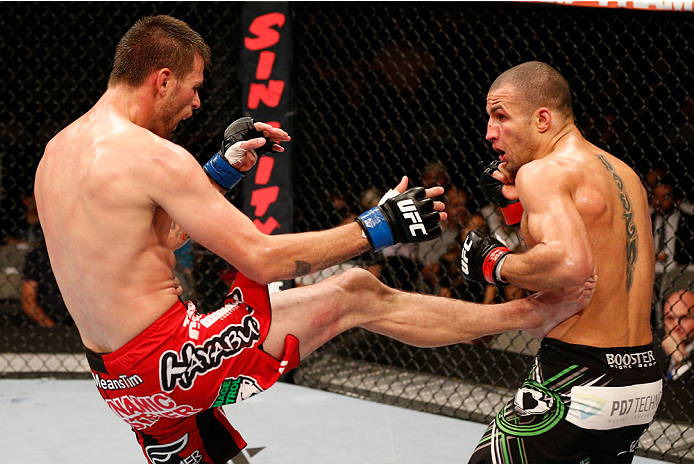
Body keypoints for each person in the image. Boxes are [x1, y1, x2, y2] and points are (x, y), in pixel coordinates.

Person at [34, 19, 595, 464]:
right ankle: (527, 315)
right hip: (176, 362)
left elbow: (153, 235)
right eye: (194, 88)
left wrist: (223, 170)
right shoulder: (153, 155)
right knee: (355, 291)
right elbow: (260, 256)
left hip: (123, 386)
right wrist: (379, 226)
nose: (198, 104)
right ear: (161, 79)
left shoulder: (56, 153)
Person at [462, 61, 660, 463]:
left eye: (501, 116)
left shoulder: (543, 172)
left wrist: (494, 263)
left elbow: (569, 265)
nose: (489, 132)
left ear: (542, 119)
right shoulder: (624, 173)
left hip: (579, 374)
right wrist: (514, 212)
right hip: (643, 379)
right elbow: (582, 264)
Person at [661, 290, 694, 381]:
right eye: (670, 318)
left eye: (684, 318)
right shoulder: (653, 346)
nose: (676, 325)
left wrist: (681, 359)